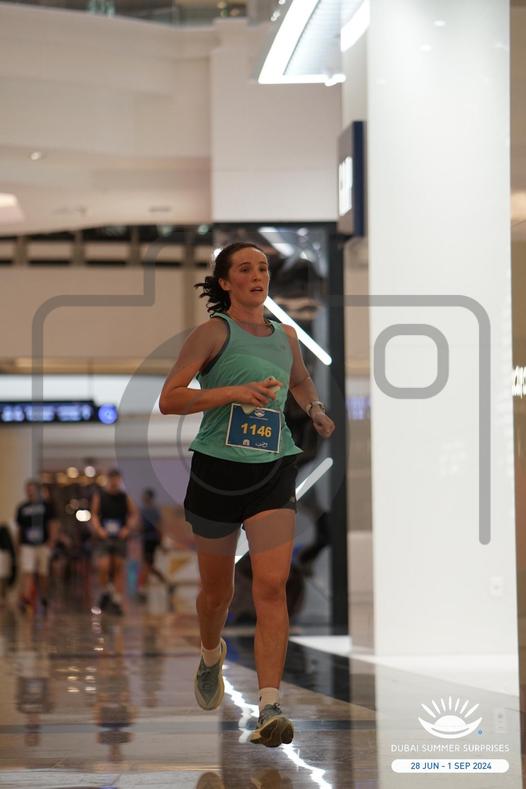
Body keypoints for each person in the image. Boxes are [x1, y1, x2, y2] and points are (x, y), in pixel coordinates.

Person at [159, 241, 335, 748]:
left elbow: (300, 381)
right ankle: (210, 653)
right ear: (225, 282)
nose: (257, 275)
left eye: (262, 268)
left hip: (272, 469)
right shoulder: (212, 333)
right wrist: (232, 393)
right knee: (218, 593)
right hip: (217, 472)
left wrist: (315, 409)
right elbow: (171, 398)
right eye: (244, 269)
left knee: (272, 586)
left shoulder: (287, 335)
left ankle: (270, 704)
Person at [90, 469, 139, 616]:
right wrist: (99, 530)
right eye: (112, 479)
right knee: (104, 566)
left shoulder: (125, 497)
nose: (114, 482)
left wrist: (127, 529)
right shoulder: (100, 496)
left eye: (117, 479)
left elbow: (134, 514)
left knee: (118, 567)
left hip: (119, 537)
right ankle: (106, 591)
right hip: (105, 537)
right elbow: (94, 514)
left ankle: (117, 600)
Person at [15, 480, 59, 612]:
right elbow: (19, 528)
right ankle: (26, 598)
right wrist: (18, 544)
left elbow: (53, 524)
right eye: (27, 490)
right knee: (27, 570)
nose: (29, 492)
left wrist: (52, 541)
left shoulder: (46, 506)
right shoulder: (22, 508)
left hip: (43, 544)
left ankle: (44, 596)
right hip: (27, 544)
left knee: (42, 572)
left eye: (31, 489)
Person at [139, 488, 161, 587]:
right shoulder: (151, 510)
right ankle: (145, 585)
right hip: (148, 539)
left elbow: (159, 526)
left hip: (150, 540)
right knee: (147, 564)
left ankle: (144, 586)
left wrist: (160, 540)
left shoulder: (149, 510)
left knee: (147, 564)